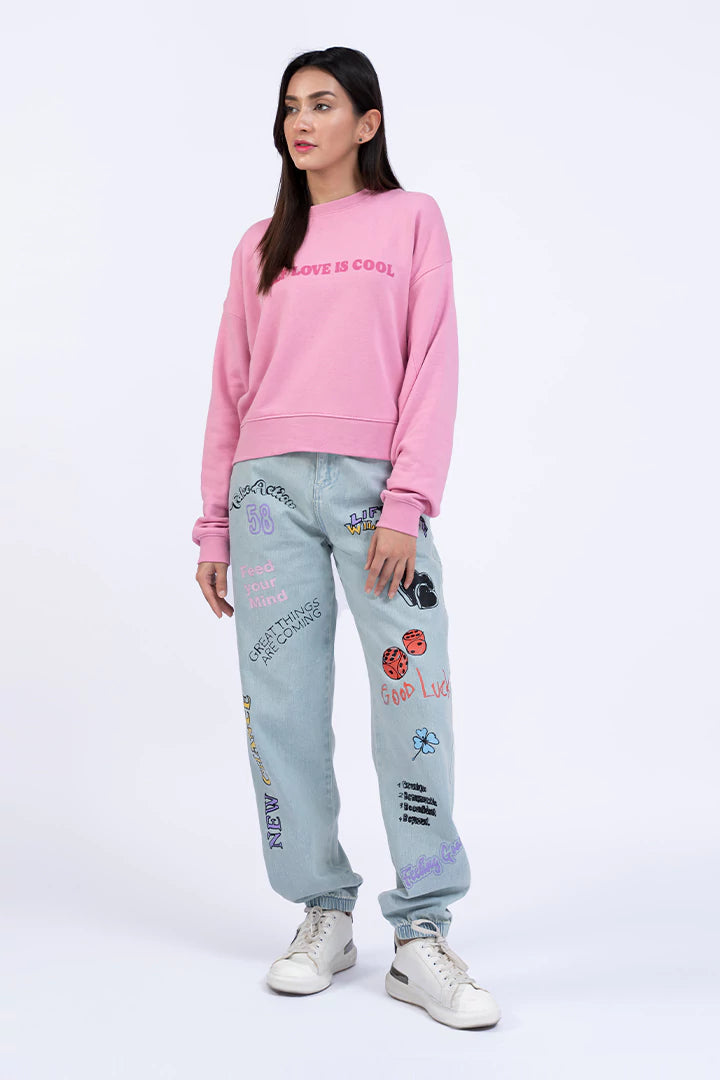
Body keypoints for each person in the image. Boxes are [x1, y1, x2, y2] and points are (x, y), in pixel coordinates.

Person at [191, 46, 501, 1031]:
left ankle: (423, 929)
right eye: (290, 106)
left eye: (323, 104)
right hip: (265, 496)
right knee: (281, 710)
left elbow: (432, 362)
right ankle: (322, 909)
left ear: (368, 122)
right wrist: (213, 523)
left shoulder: (411, 219)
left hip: (375, 498)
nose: (301, 121)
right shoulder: (259, 244)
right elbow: (231, 385)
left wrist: (407, 502)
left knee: (413, 699)